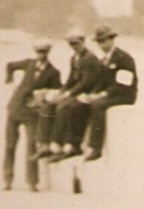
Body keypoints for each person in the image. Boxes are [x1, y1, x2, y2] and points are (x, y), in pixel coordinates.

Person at [3, 40, 62, 190]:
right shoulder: (28, 63)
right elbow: (10, 66)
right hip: (15, 108)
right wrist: (10, 84)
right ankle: (7, 179)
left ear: (48, 52)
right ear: (35, 52)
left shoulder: (54, 72)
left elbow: (58, 91)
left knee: (31, 146)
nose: (41, 55)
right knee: (10, 145)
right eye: (38, 52)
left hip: (32, 113)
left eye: (44, 52)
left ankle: (32, 182)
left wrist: (44, 95)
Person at [42, 30, 108, 161]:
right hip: (78, 91)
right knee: (50, 105)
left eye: (76, 43)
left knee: (65, 107)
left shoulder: (89, 58)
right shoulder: (74, 58)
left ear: (83, 42)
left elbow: (86, 83)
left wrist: (69, 94)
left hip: (88, 92)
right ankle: (50, 144)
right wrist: (61, 91)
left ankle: (67, 145)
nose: (73, 46)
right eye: (71, 44)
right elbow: (71, 79)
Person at [77, 25, 138, 160]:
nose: (101, 45)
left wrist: (102, 94)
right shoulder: (105, 59)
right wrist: (91, 94)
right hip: (112, 94)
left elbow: (123, 84)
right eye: (99, 42)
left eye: (104, 41)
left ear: (112, 40)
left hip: (125, 95)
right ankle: (80, 143)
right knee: (83, 104)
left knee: (98, 106)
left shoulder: (124, 58)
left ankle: (96, 148)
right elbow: (101, 82)